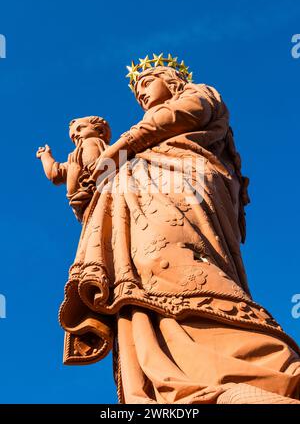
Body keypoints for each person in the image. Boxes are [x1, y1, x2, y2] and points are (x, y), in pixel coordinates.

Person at [53, 55, 300, 404]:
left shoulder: (199, 95)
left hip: (182, 186)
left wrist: (122, 147)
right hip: (145, 196)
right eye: (136, 92)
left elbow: (179, 115)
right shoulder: (139, 150)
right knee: (141, 285)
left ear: (170, 80)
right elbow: (86, 188)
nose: (140, 95)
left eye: (145, 84)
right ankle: (172, 384)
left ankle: (251, 367)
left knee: (176, 268)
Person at [36, 116, 111, 221]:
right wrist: (45, 156)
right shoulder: (74, 158)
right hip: (85, 202)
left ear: (99, 130)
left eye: (80, 129)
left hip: (103, 192)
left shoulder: (96, 144)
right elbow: (55, 174)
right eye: (72, 136)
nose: (75, 135)